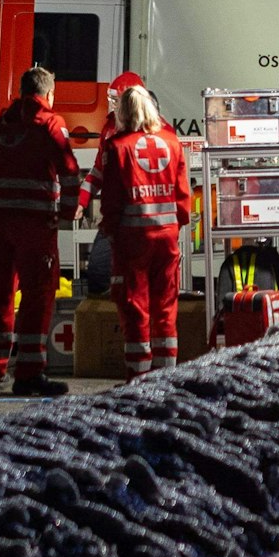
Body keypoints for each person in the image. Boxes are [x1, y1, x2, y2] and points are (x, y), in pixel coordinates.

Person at [0, 65, 80, 396]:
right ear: (48, 95)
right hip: (36, 227)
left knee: (0, 296)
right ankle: (28, 374)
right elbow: (70, 172)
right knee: (37, 297)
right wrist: (66, 213)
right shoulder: (51, 125)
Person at [97, 85, 192, 379]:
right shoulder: (172, 142)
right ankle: (167, 379)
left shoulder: (117, 147)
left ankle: (138, 379)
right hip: (167, 239)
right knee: (166, 307)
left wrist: (109, 231)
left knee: (135, 307)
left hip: (132, 242)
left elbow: (111, 201)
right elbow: (183, 199)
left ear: (123, 113)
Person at [77, 71, 148, 295]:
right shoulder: (109, 129)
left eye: (114, 100)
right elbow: (99, 170)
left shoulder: (152, 131)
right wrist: (81, 201)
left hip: (143, 221)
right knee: (99, 273)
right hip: (116, 219)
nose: (110, 105)